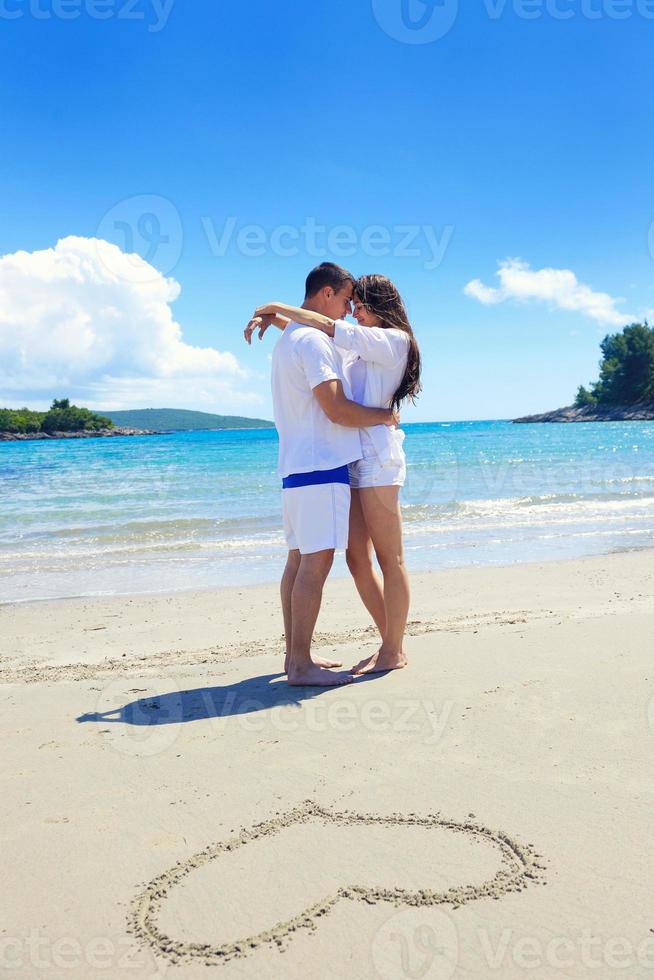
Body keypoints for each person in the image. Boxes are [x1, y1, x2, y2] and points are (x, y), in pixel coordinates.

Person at [246, 273, 421, 675]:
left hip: (378, 458)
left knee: (388, 557)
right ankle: (386, 641)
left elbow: (324, 326)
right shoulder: (357, 346)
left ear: (379, 305)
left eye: (360, 305)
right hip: (351, 460)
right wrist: (278, 323)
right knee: (356, 558)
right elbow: (315, 342)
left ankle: (394, 648)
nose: (354, 311)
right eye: (351, 302)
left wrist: (272, 306)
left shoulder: (394, 340)